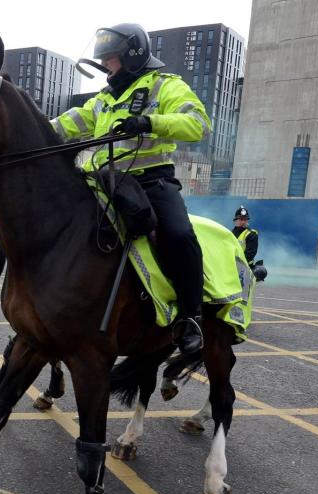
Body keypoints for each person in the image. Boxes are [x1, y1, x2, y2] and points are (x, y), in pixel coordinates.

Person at [52, 23, 212, 357]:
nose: (106, 67)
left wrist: (150, 122)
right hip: (105, 182)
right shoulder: (102, 101)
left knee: (179, 235)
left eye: (111, 59)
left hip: (151, 181)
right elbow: (64, 125)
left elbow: (198, 123)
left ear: (133, 56)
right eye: (105, 60)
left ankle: (191, 317)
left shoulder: (163, 85)